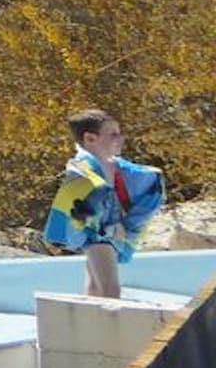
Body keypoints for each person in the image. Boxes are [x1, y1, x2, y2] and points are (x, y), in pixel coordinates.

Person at [44, 109, 166, 299]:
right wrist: (111, 226)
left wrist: (126, 224)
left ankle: (88, 317)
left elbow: (145, 187)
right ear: (90, 139)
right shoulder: (82, 169)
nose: (120, 139)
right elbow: (80, 201)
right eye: (113, 135)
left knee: (95, 287)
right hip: (98, 235)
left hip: (110, 233)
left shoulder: (116, 166)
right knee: (111, 290)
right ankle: (109, 318)